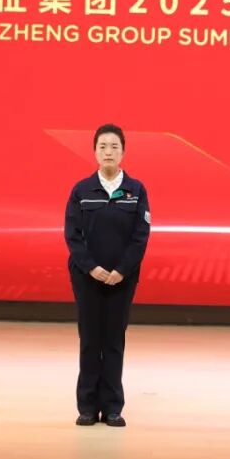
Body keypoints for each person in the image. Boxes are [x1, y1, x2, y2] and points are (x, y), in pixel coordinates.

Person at [64, 124, 151, 427]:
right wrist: (92, 267)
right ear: (94, 152)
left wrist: (121, 271)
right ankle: (87, 407)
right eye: (102, 146)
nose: (108, 152)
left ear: (123, 152)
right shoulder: (81, 190)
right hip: (87, 277)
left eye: (114, 146)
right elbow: (72, 235)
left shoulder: (136, 191)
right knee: (90, 340)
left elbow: (140, 236)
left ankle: (113, 407)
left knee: (114, 340)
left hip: (121, 280)